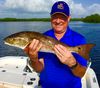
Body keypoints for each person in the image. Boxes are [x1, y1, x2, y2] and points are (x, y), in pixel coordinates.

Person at [24, 1, 87, 88]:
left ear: (68, 18)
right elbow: (39, 69)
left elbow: (81, 74)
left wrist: (73, 63)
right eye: (55, 17)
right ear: (51, 17)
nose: (57, 21)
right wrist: (33, 58)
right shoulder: (42, 37)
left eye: (62, 17)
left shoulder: (79, 39)